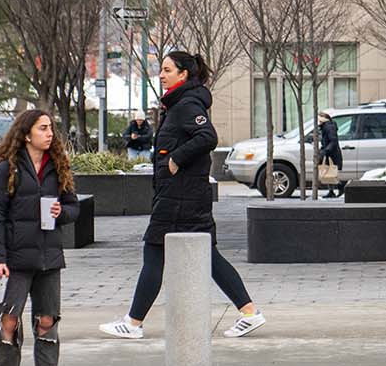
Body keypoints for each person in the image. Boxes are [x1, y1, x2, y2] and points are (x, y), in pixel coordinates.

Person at [101, 51, 265, 341]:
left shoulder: (187, 104)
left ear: (183, 74)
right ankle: (250, 312)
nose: (161, 75)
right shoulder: (179, 104)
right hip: (186, 195)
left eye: (167, 70)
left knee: (154, 252)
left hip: (180, 197)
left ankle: (133, 322)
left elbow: (208, 137)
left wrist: (176, 158)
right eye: (161, 70)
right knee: (209, 257)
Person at [0, 109, 80, 366]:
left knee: (47, 320)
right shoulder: (6, 170)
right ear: (26, 134)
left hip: (49, 258)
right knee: (8, 320)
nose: (50, 133)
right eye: (42, 128)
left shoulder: (58, 167)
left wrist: (62, 213)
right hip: (13, 260)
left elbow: (74, 207)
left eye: (51, 128)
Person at [316, 111, 344, 198]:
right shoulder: (325, 126)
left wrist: (325, 151)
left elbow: (333, 141)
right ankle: (331, 191)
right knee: (328, 173)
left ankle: (340, 187)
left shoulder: (329, 127)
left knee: (331, 173)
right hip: (329, 153)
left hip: (332, 154)